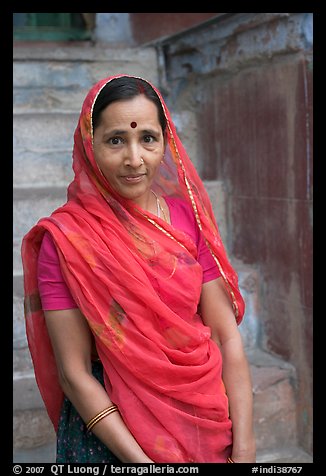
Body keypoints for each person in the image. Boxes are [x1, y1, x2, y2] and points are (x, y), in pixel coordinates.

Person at [21, 74, 256, 463]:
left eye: (147, 138)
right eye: (116, 140)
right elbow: (74, 375)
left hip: (205, 420)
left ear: (166, 143)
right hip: (115, 436)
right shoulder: (67, 241)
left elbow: (226, 338)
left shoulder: (186, 221)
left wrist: (245, 449)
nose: (134, 159)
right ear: (89, 145)